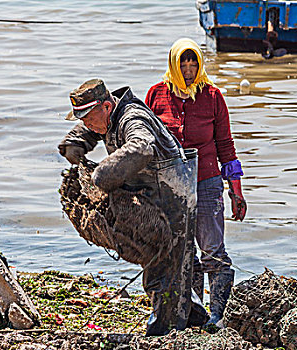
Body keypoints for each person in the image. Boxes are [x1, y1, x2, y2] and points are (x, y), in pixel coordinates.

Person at [58, 78, 208, 335]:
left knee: (166, 267)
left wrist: (103, 175)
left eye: (88, 117)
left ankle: (164, 331)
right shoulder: (107, 115)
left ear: (106, 106)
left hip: (173, 195)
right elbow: (91, 128)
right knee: (165, 263)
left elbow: (141, 148)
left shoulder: (132, 118)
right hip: (150, 193)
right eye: (81, 119)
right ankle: (196, 320)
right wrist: (76, 141)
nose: (86, 124)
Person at [145, 38, 247, 326]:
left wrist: (235, 192)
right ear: (174, 64)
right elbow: (145, 143)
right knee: (179, 252)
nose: (188, 69)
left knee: (212, 249)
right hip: (169, 186)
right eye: (183, 63)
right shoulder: (156, 95)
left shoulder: (212, 97)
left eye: (193, 63)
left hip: (207, 182)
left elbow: (226, 147)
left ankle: (217, 316)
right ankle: (191, 311)